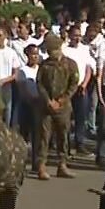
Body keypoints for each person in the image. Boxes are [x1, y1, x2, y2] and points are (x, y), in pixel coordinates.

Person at [34, 35, 78, 178]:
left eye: (50, 50)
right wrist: (48, 100)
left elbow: (73, 84)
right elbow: (39, 84)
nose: (48, 52)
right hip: (46, 107)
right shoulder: (44, 65)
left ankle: (62, 164)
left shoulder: (70, 64)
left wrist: (62, 100)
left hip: (63, 107)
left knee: (63, 135)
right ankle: (41, 166)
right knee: (44, 136)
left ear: (57, 49)